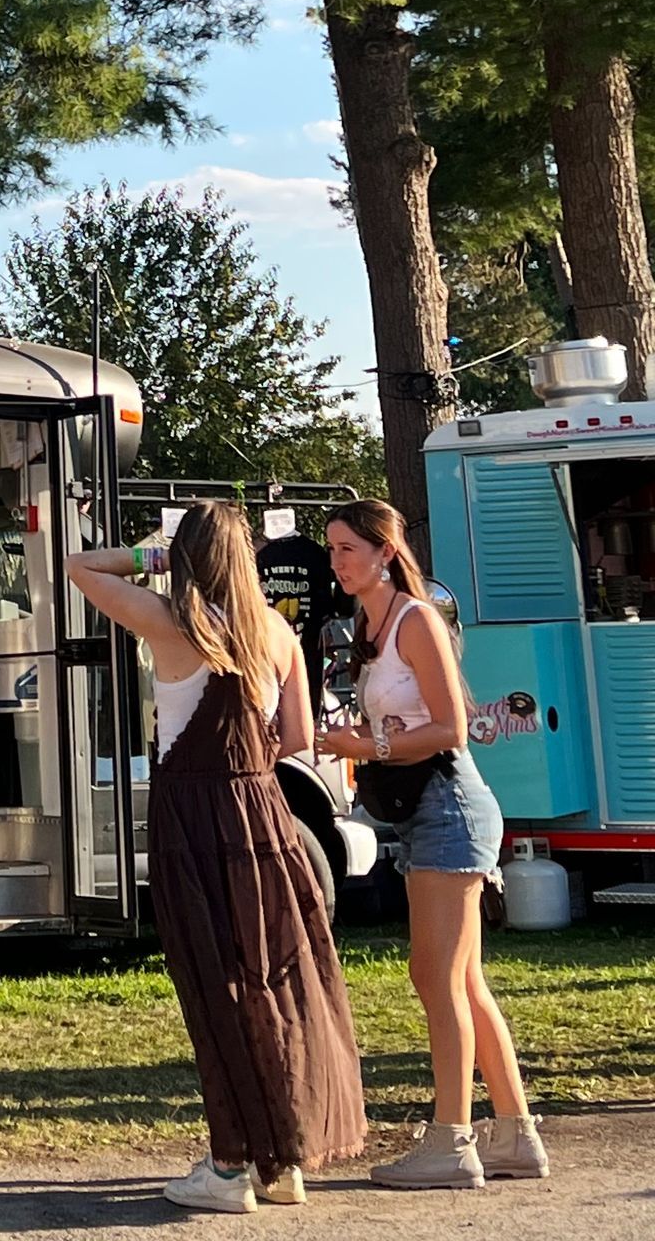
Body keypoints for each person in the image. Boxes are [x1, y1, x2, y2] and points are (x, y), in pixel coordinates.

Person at [68, 502, 366, 1214]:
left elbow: (79, 567)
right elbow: (296, 735)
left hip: (192, 816)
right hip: (264, 814)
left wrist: (157, 558)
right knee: (278, 978)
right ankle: (282, 1159)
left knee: (214, 982)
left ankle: (230, 1161)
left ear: (189, 557)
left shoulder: (176, 623)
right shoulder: (279, 634)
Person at [320, 499, 546, 1189]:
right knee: (464, 981)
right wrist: (362, 736)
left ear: (386, 552)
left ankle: (451, 1140)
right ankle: (515, 1136)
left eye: (347, 549)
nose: (337, 562)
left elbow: (451, 727)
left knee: (436, 977)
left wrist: (370, 743)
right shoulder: (371, 623)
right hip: (428, 810)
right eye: (331, 550)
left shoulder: (415, 619)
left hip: (450, 805)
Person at [256, 524, 342, 716]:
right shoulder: (314, 553)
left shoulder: (253, 553)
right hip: (302, 661)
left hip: (265, 663)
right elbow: (330, 610)